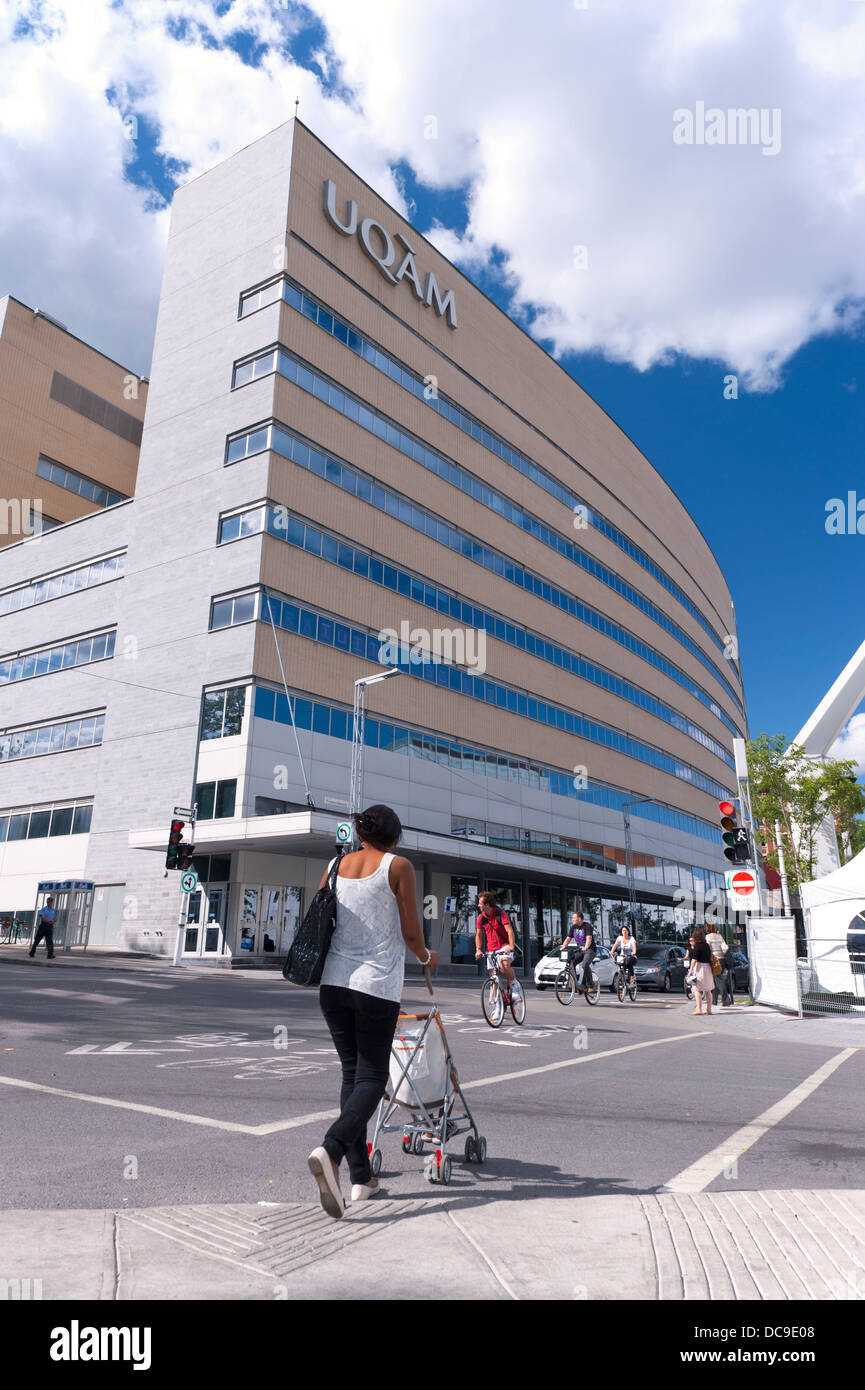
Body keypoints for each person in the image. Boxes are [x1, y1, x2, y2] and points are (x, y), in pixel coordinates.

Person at [307, 805, 439, 1220]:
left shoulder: (335, 863)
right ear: (396, 837)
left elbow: (321, 916)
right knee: (373, 1077)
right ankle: (330, 1150)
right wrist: (426, 956)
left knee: (352, 1076)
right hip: (376, 987)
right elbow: (411, 932)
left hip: (332, 984)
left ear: (362, 834)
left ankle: (361, 1178)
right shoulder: (398, 866)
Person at [474, 893, 521, 1001]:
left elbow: (509, 931)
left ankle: (515, 984)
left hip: (504, 946)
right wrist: (478, 949)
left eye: (480, 903)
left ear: (487, 904)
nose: (478, 905)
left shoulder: (500, 913)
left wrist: (511, 946)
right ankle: (498, 1006)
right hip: (491, 949)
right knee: (494, 978)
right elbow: (478, 935)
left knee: (504, 965)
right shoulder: (481, 918)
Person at [561, 911, 596, 992]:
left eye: (574, 918)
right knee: (571, 962)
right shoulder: (573, 927)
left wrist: (586, 947)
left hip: (590, 950)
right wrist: (563, 946)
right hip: (580, 950)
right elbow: (568, 939)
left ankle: (591, 985)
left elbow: (589, 938)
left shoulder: (587, 926)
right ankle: (575, 984)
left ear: (579, 918)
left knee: (585, 964)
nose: (573, 919)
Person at [688, 926, 714, 1016]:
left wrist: (690, 971)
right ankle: (709, 1009)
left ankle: (699, 1009)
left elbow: (694, 960)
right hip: (708, 968)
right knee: (708, 990)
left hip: (700, 968)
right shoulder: (707, 945)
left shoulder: (697, 946)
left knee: (696, 989)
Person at [706, 921, 733, 1007]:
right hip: (722, 960)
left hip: (714, 960)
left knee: (718, 981)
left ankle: (726, 1000)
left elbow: (708, 949)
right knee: (715, 981)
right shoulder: (720, 936)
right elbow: (724, 947)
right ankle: (714, 1000)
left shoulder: (708, 937)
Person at [610, 922, 637, 986]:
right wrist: (611, 951)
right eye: (623, 930)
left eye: (625, 930)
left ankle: (632, 978)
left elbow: (634, 945)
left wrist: (634, 951)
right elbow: (615, 945)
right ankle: (622, 979)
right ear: (621, 932)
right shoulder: (620, 938)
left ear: (628, 932)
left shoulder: (631, 938)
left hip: (631, 956)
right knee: (620, 964)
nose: (624, 932)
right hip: (623, 956)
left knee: (628, 963)